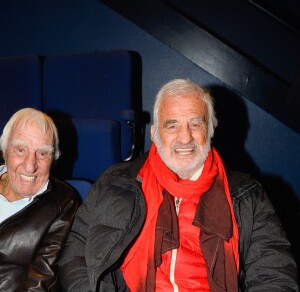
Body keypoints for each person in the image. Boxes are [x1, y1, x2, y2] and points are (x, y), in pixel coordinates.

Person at [59, 79, 298, 291]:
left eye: (195, 124)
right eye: (172, 125)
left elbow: (274, 274)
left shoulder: (247, 195)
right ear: (154, 133)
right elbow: (76, 248)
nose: (185, 137)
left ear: (210, 130)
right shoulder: (116, 182)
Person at [0, 108, 80, 291]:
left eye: (42, 153)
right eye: (20, 150)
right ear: (5, 152)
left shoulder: (63, 203)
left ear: (53, 158)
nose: (30, 166)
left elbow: (40, 279)